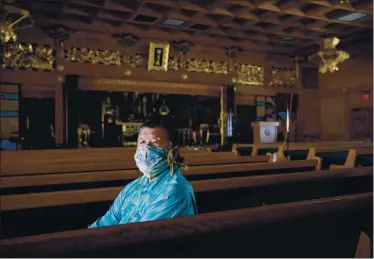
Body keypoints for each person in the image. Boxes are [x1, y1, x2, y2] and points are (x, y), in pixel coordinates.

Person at [89, 120, 198, 228]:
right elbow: (106, 222)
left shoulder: (172, 191)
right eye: (142, 142)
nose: (146, 149)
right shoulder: (133, 187)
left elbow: (143, 235)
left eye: (155, 143)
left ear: (173, 153)